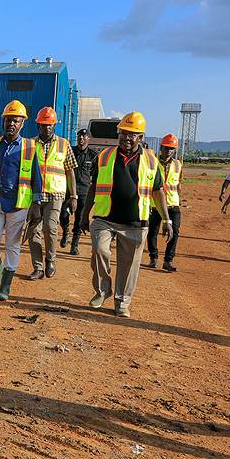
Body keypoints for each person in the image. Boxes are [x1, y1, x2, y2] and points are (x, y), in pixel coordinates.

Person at [79, 112, 171, 317]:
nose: (127, 138)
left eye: (132, 134)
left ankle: (122, 302)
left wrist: (167, 219)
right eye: (123, 133)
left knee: (129, 265)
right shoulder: (104, 156)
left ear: (140, 137)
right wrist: (85, 215)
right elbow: (94, 186)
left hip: (135, 222)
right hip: (105, 218)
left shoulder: (151, 161)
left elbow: (158, 191)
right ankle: (102, 291)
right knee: (99, 251)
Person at [0, 101, 43, 301]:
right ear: (3, 121)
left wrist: (36, 205)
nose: (11, 123)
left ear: (22, 124)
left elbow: (36, 178)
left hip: (18, 205)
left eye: (16, 120)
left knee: (12, 245)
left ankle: (5, 286)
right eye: (8, 120)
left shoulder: (31, 147)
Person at [27, 107, 77, 280]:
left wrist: (73, 196)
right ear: (38, 126)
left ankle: (50, 260)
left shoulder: (64, 144)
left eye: (50, 125)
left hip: (56, 194)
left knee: (50, 227)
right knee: (33, 231)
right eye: (43, 125)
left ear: (54, 126)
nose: (47, 128)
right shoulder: (31, 144)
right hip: (34, 195)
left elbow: (70, 172)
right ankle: (38, 267)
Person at [146, 134, 183, 272]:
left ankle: (168, 260)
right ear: (161, 147)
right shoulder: (153, 163)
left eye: (172, 148)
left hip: (173, 204)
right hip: (155, 204)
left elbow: (179, 184)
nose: (169, 151)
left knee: (175, 232)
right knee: (152, 232)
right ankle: (153, 258)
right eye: (166, 148)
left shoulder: (177, 165)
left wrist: (179, 200)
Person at [59, 128, 97, 255]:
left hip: (84, 191)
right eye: (79, 135)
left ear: (88, 139)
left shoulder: (92, 155)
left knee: (79, 218)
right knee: (63, 214)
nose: (81, 138)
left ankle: (74, 245)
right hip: (69, 189)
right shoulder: (71, 152)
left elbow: (94, 173)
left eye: (84, 136)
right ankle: (65, 231)